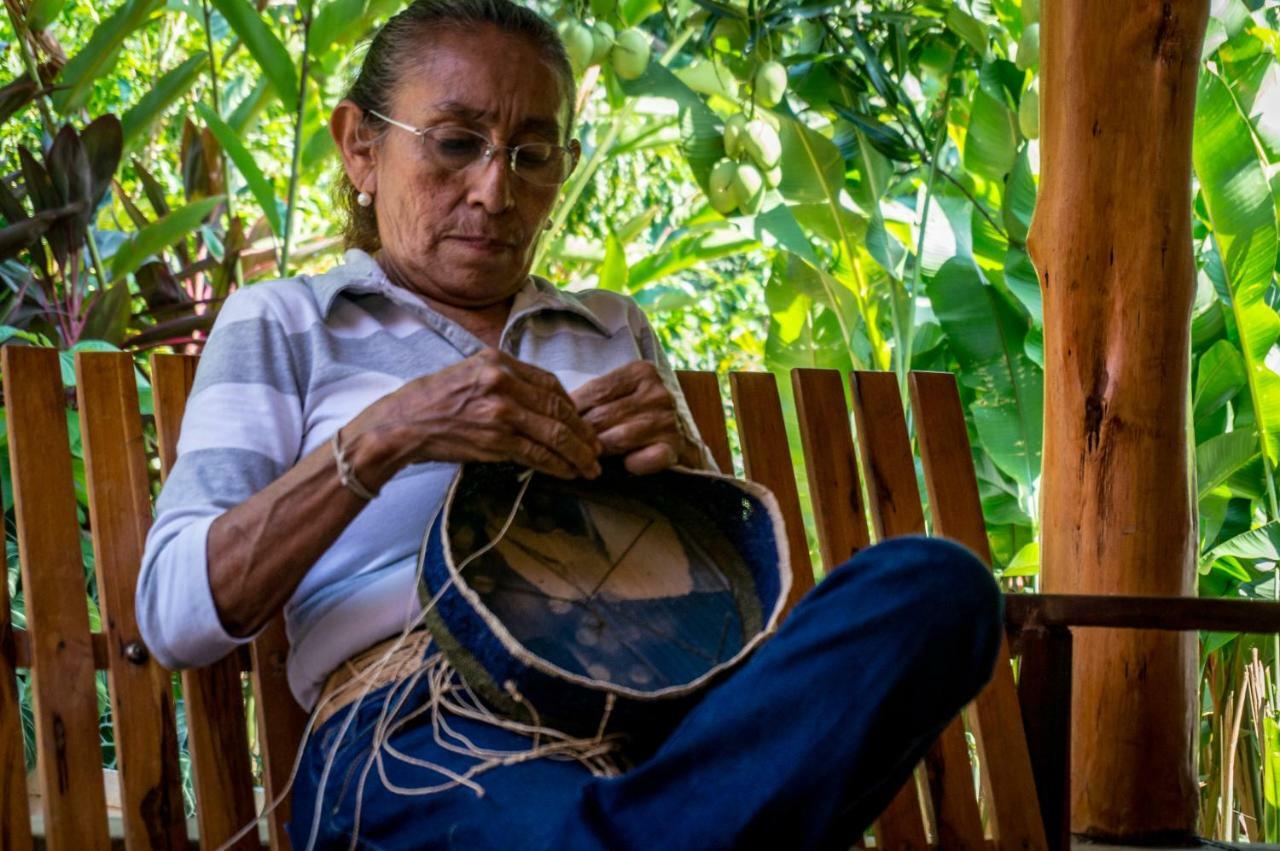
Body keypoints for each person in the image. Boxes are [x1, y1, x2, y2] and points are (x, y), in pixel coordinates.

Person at [135, 2, 1003, 848]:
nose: (494, 188)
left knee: (937, 588)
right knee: (566, 824)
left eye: (533, 153)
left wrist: (684, 468)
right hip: (423, 729)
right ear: (361, 146)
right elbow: (176, 612)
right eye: (455, 142)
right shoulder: (288, 323)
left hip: (659, 725)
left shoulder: (610, 327)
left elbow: (721, 606)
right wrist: (390, 432)